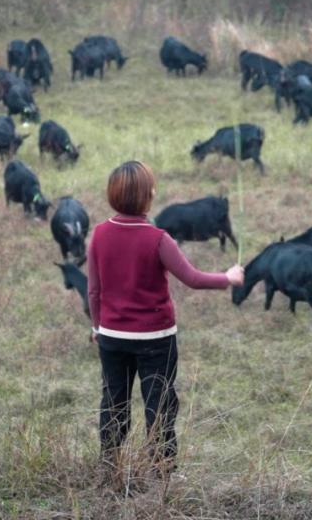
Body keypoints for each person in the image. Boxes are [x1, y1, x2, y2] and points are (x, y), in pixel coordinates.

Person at [87, 160, 244, 480]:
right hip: (156, 341)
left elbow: (94, 291)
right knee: (159, 407)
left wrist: (96, 327)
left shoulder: (99, 235)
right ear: (147, 197)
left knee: (113, 404)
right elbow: (193, 278)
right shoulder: (158, 238)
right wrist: (228, 277)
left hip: (112, 338)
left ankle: (109, 467)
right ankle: (163, 473)